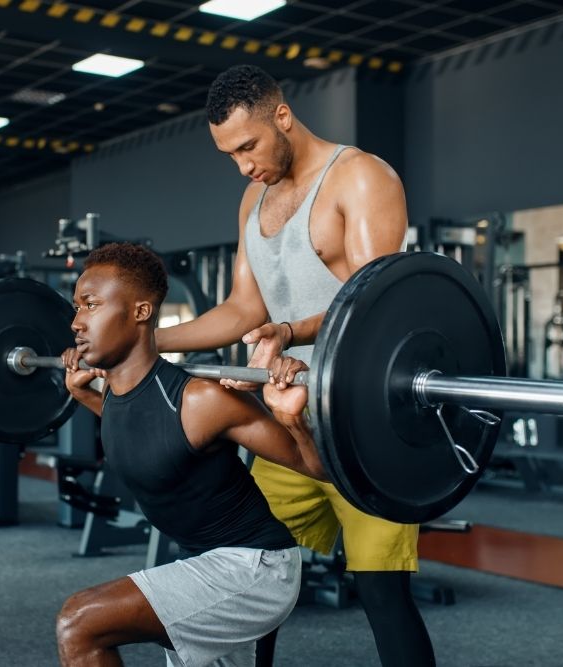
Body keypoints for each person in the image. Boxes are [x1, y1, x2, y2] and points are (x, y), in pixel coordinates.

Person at [154, 65, 435, 667]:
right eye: (229, 155)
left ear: (282, 116)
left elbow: (374, 307)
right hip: (285, 423)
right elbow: (241, 310)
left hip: (364, 428)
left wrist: (290, 330)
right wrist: (145, 342)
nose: (243, 165)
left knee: (382, 594)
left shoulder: (359, 178)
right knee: (250, 577)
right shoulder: (253, 197)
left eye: (248, 147)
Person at [56, 242, 323, 667]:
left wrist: (293, 420)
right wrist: (83, 395)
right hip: (204, 561)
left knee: (79, 622)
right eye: (76, 308)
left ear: (141, 312)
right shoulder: (116, 394)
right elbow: (146, 431)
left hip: (255, 568)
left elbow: (315, 467)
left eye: (90, 305)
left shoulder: (200, 400)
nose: (76, 322)